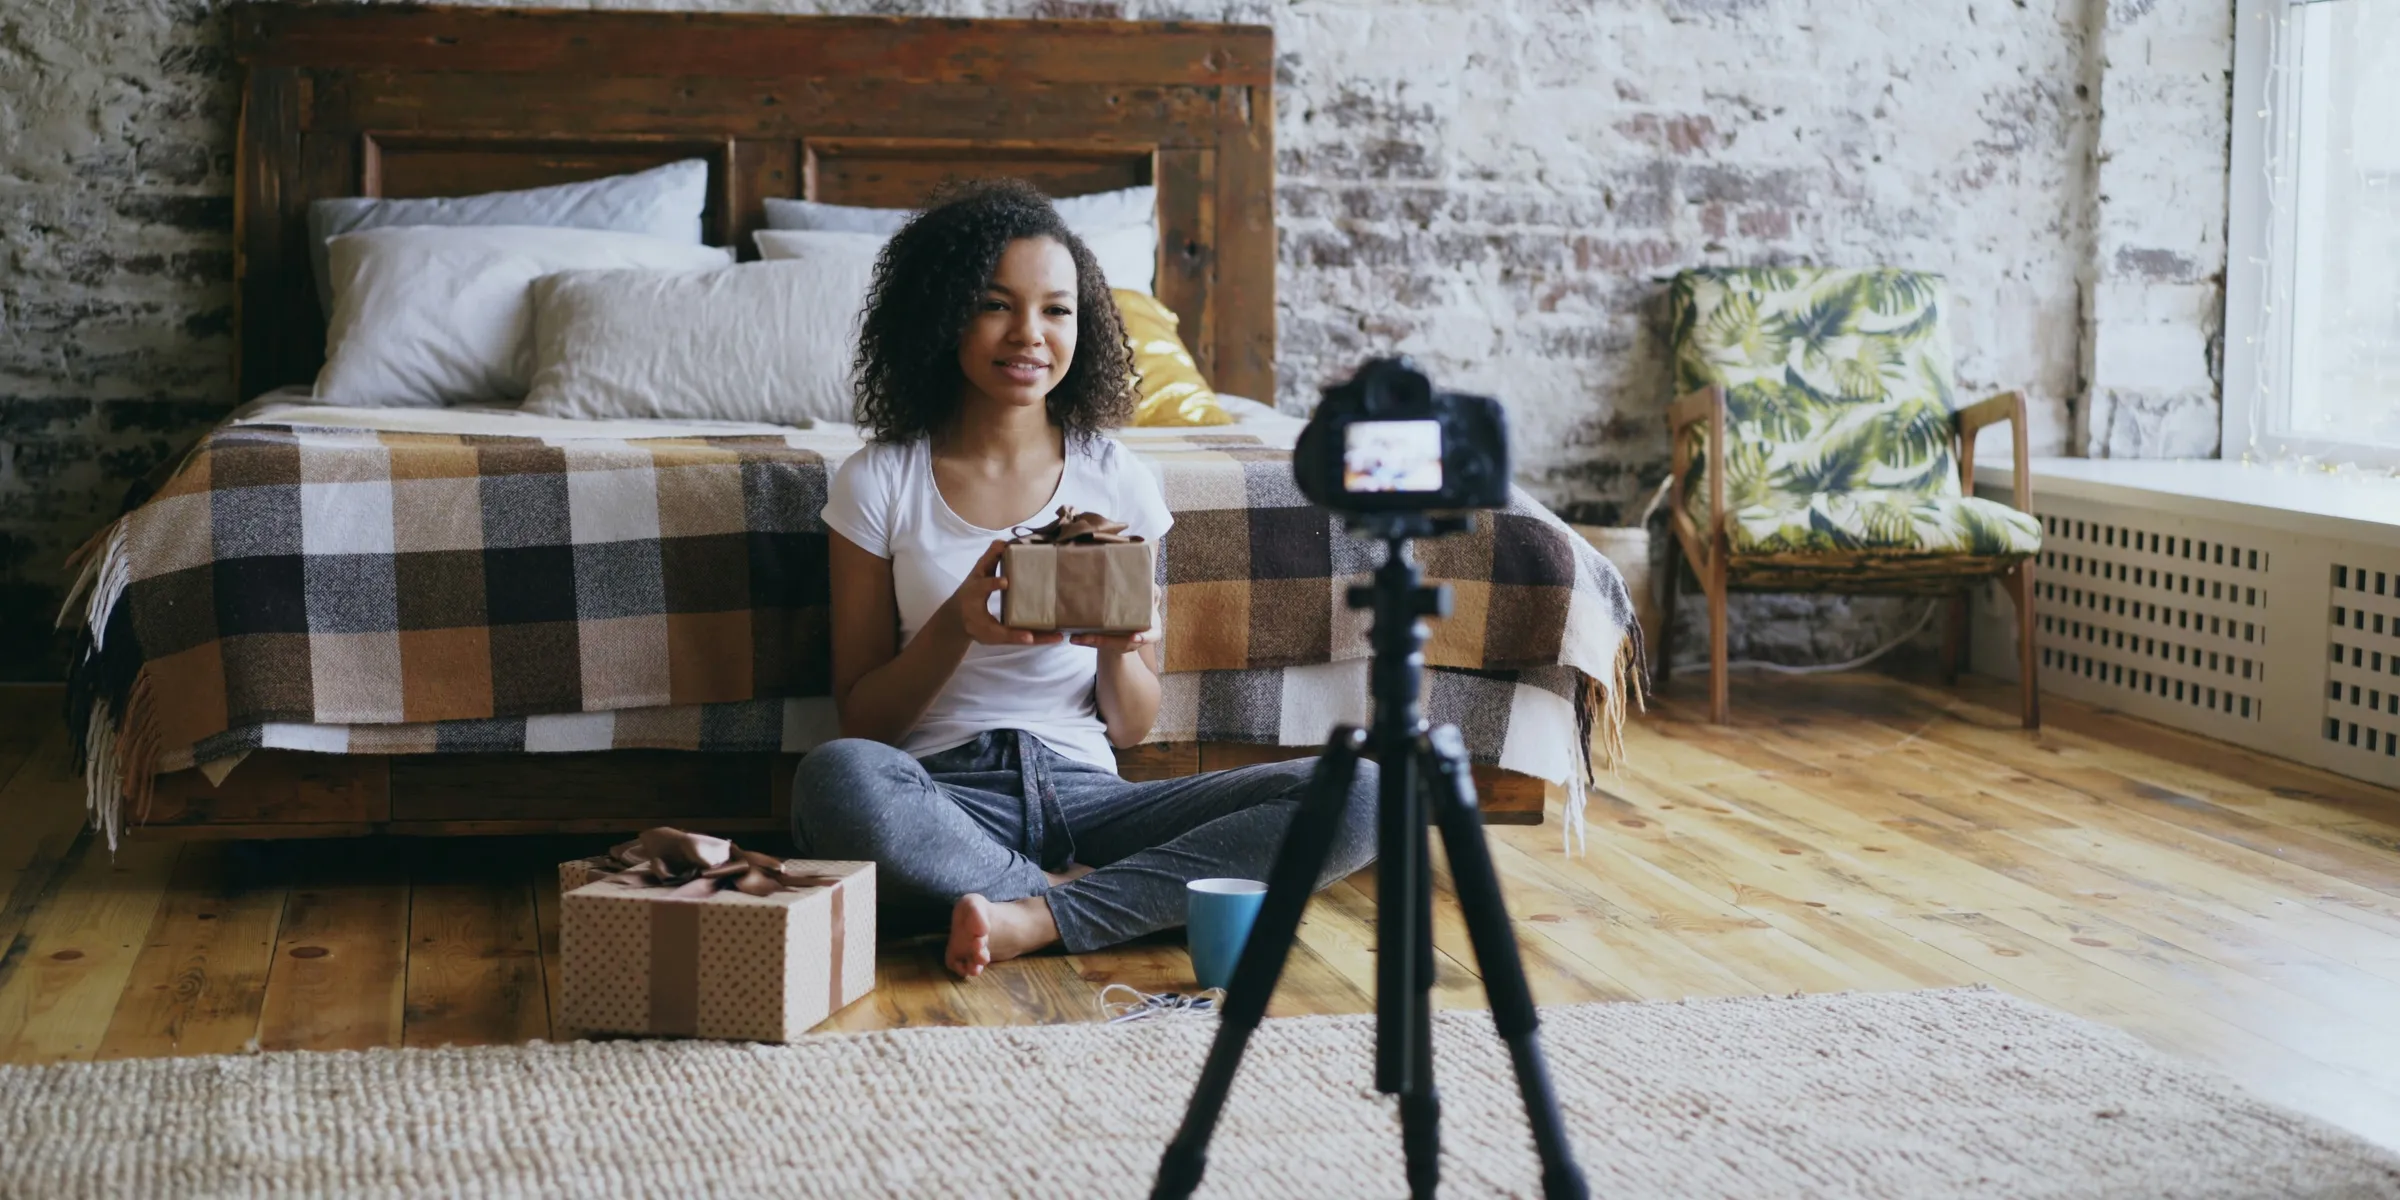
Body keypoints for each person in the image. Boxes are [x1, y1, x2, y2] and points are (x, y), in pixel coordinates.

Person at [790, 179, 1378, 979]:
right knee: (834, 779)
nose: (1029, 335)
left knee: (1366, 790)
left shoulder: (1118, 478)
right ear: (944, 313)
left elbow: (1132, 727)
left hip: (1093, 796)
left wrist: (1114, 646)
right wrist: (958, 623)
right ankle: (1089, 904)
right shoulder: (881, 479)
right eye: (996, 305)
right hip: (946, 797)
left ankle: (1030, 913)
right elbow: (865, 724)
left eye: (1056, 310)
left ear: (1086, 323)